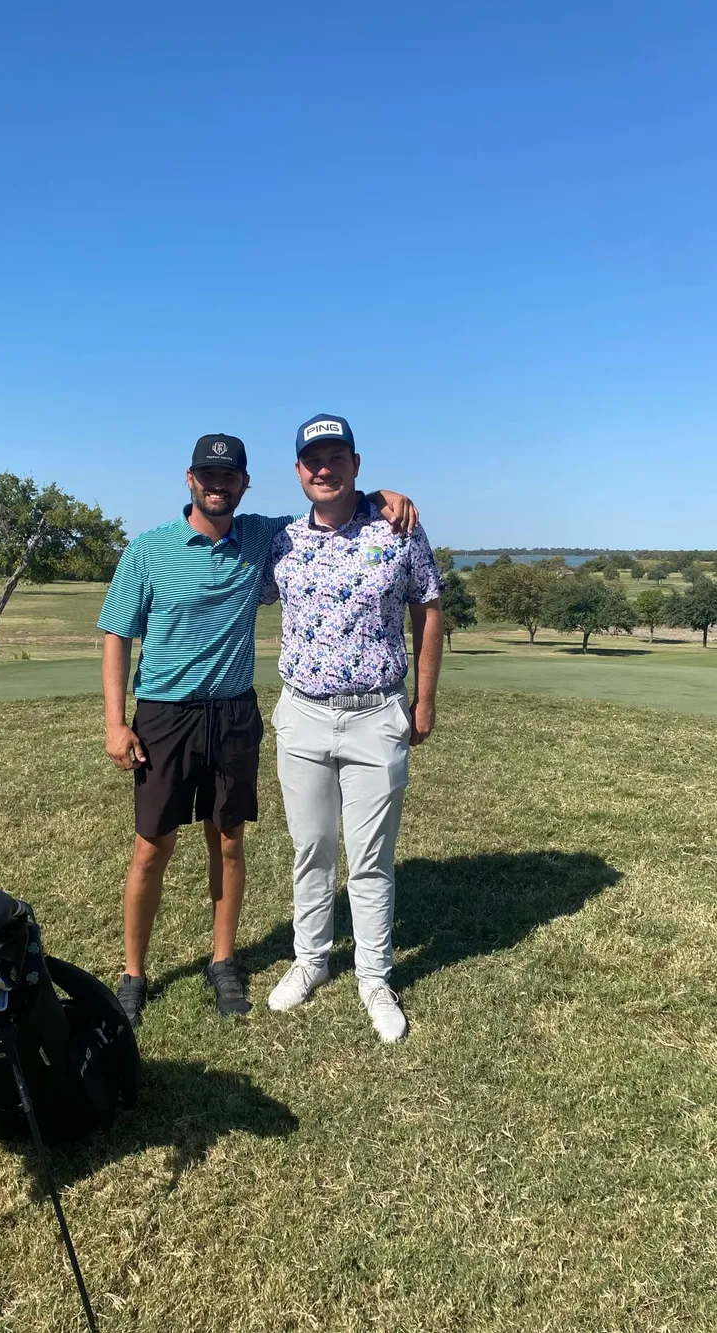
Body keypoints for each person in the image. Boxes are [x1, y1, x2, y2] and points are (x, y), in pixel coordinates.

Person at [98, 431, 418, 1027]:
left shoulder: (261, 536)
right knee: (151, 848)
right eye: (207, 476)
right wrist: (116, 722)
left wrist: (381, 496)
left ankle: (224, 963)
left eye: (229, 477)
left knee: (228, 839)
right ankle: (134, 973)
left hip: (236, 712)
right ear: (190, 479)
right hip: (166, 714)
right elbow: (117, 635)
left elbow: (334, 503)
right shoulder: (148, 548)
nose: (218, 485)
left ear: (245, 483)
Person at [262, 414, 443, 1042]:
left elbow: (428, 611)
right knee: (311, 850)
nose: (324, 468)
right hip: (303, 714)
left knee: (371, 859)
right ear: (298, 471)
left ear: (356, 465)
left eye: (336, 457)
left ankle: (373, 976)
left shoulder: (399, 529)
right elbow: (225, 567)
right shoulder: (281, 542)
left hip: (376, 714)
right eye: (313, 459)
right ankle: (310, 960)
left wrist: (423, 701)